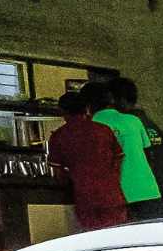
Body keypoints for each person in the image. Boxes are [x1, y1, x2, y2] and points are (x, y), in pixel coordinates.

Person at [47, 86, 129, 232]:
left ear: (62, 111)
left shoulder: (59, 136)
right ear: (86, 108)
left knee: (94, 240)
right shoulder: (103, 130)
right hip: (112, 195)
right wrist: (113, 176)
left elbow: (58, 173)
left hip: (85, 197)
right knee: (119, 236)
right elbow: (118, 158)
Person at [93, 76, 163, 221]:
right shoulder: (139, 122)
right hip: (150, 190)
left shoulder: (97, 121)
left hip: (120, 194)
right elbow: (150, 155)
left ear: (111, 98)